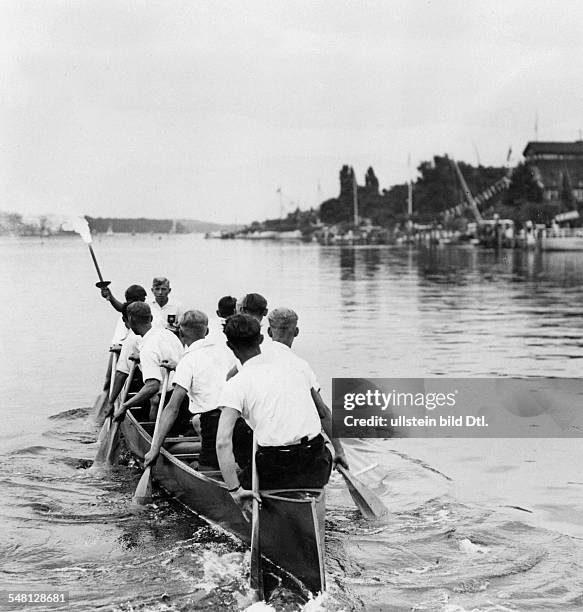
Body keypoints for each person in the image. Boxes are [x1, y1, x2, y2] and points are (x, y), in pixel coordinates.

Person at [216, 314, 344, 514]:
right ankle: (307, 505)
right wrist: (340, 452)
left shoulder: (236, 384)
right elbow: (324, 413)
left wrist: (235, 490)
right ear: (261, 339)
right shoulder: (298, 365)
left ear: (230, 346)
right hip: (316, 461)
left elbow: (222, 442)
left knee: (243, 465)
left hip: (275, 466)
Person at [143, 310, 236, 472]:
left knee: (207, 470)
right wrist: (178, 367)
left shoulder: (188, 360)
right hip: (237, 420)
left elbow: (172, 408)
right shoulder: (226, 352)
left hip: (213, 424)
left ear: (180, 333)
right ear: (206, 331)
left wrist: (154, 448)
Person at [266, 307, 348, 468]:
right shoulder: (301, 367)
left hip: (269, 454)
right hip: (303, 452)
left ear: (269, 332)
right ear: (296, 332)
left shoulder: (253, 361)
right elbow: (322, 412)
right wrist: (339, 451)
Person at [113, 302, 187, 434]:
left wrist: (125, 406)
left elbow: (153, 385)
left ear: (130, 320)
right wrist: (141, 357)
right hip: (185, 396)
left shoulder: (148, 347)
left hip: (168, 401)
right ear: (151, 318)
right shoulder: (169, 334)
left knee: (165, 443)